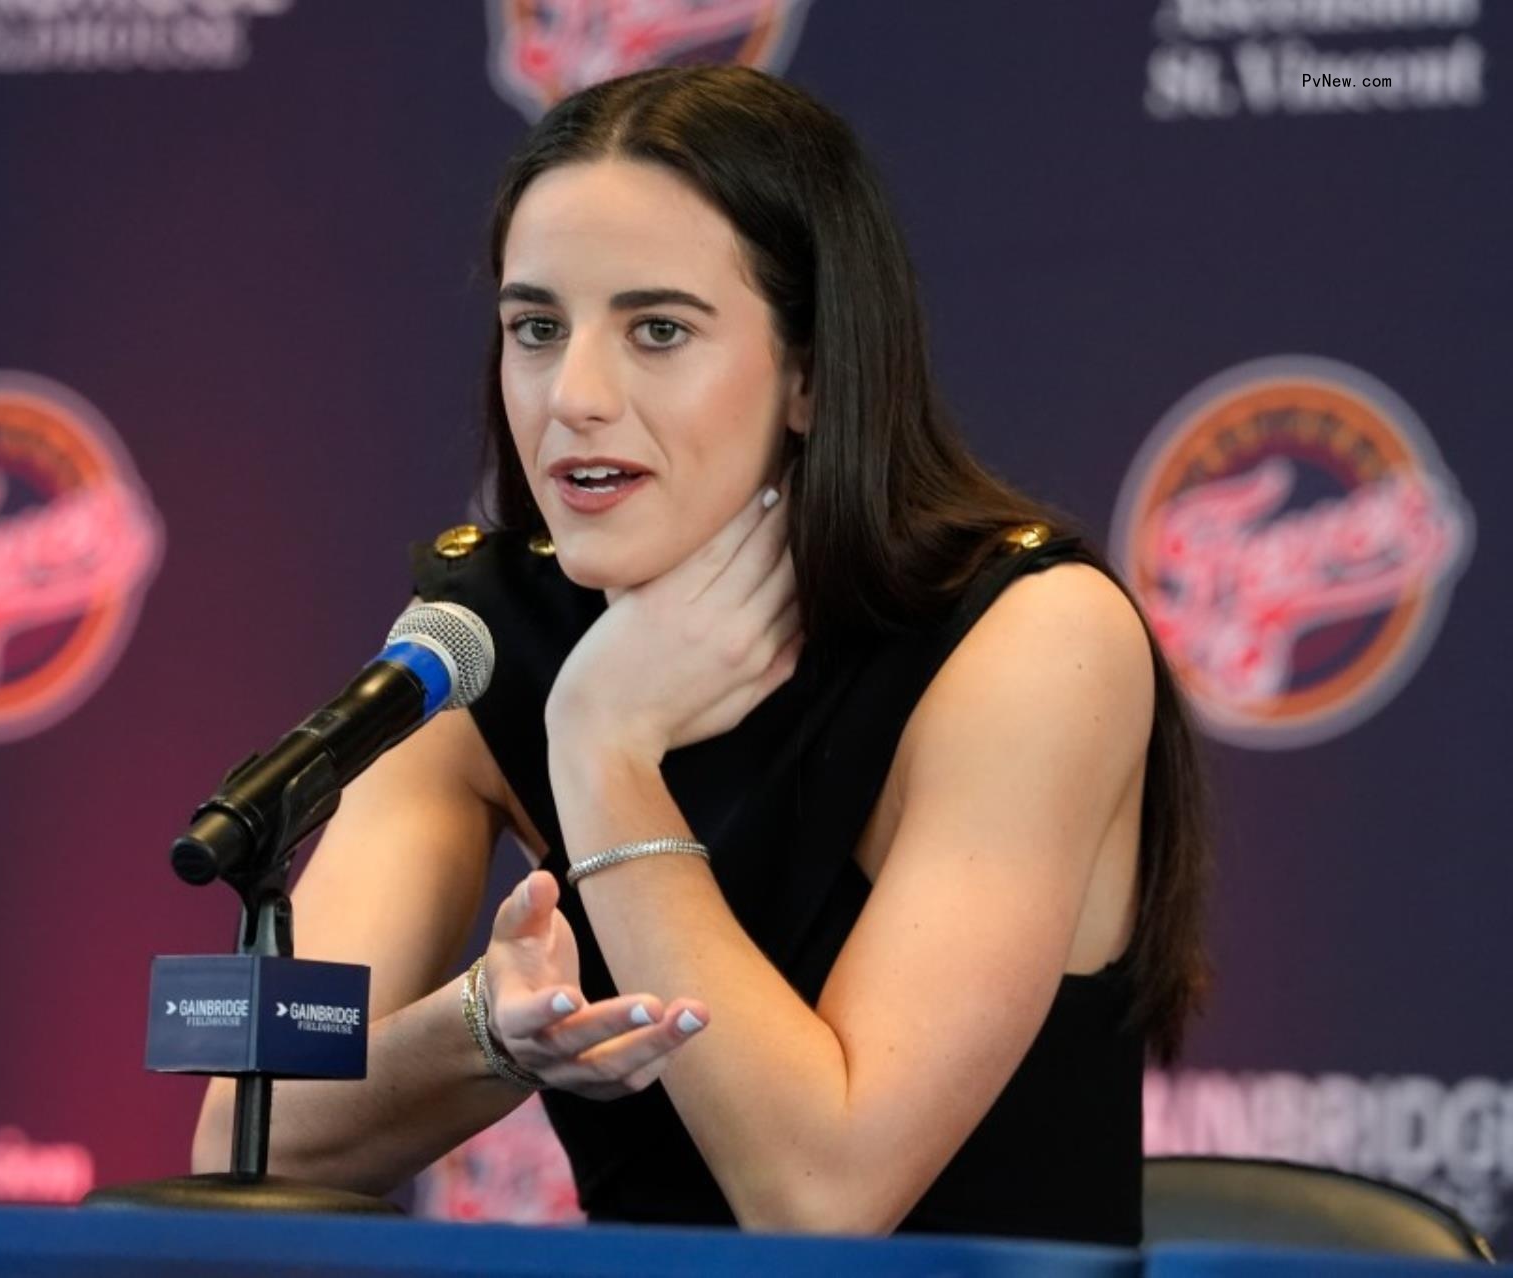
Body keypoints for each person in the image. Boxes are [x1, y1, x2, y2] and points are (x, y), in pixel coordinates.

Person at [195, 65, 1209, 1245]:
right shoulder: (483, 638)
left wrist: (606, 751)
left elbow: (823, 1197)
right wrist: (483, 1025)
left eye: (659, 330)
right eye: (536, 328)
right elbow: (245, 1145)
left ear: (813, 372)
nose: (572, 396)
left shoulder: (1030, 638)